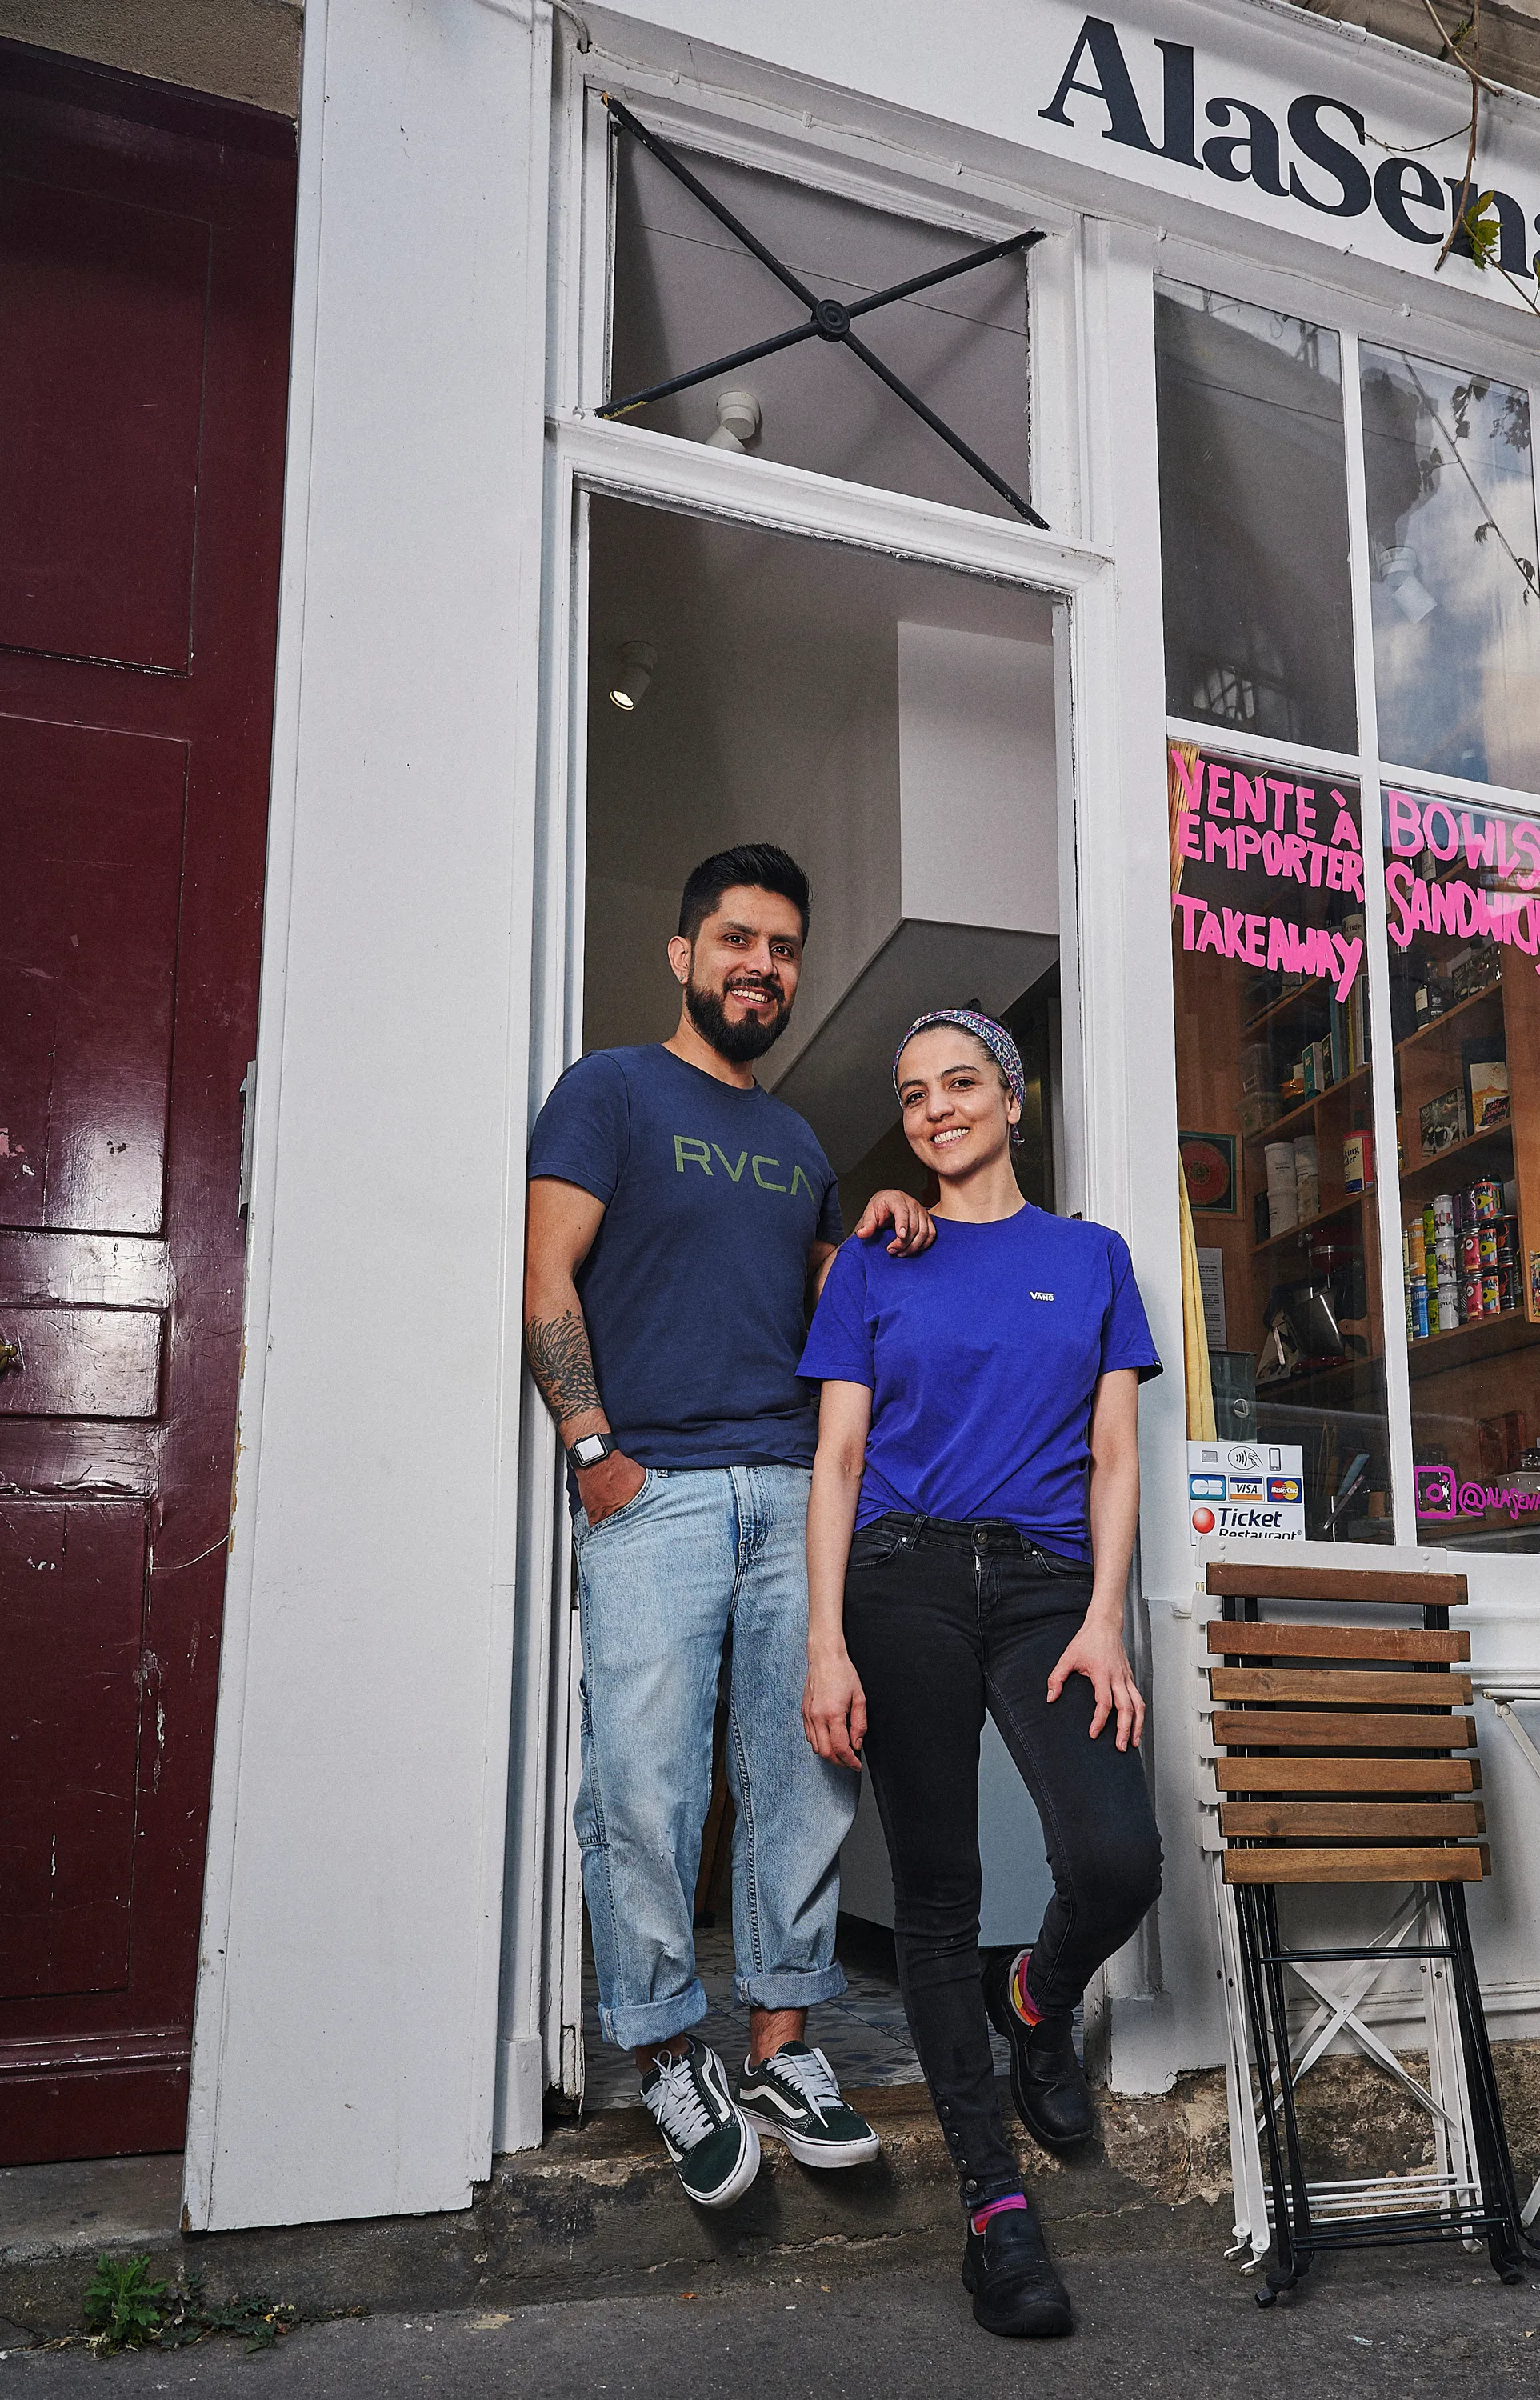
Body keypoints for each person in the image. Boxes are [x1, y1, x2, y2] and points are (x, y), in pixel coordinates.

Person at [522, 843, 936, 2211]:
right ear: (685, 954)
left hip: (793, 1496)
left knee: (804, 1775)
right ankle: (662, 2045)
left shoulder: (802, 1142)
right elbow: (545, 1279)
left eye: (783, 949)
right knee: (643, 1787)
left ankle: (780, 2047)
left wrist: (869, 1231)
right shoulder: (609, 1089)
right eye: (740, 940)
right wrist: (594, 1452)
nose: (764, 966)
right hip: (660, 1491)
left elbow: (826, 1306)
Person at [798, 1009, 1165, 2338]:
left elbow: (1117, 1455)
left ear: (1014, 1096)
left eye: (961, 1082)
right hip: (898, 1578)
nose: (937, 1107)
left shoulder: (1093, 1258)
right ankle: (995, 2212)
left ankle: (1041, 1995)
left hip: (1044, 1588)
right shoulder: (877, 1258)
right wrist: (824, 1636)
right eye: (913, 1095)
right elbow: (838, 1461)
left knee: (1119, 1860)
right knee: (937, 1900)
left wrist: (1105, 1617)